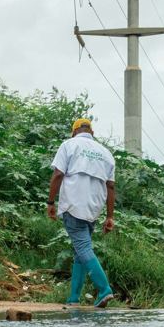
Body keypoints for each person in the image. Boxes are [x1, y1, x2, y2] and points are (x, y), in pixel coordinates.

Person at [47, 118, 116, 307]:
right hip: (94, 208)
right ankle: (73, 298)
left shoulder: (69, 145)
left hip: (73, 205)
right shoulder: (106, 153)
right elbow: (110, 187)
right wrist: (110, 216)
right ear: (91, 132)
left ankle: (104, 290)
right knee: (80, 251)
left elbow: (58, 174)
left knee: (83, 248)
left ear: (74, 131)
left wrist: (50, 202)